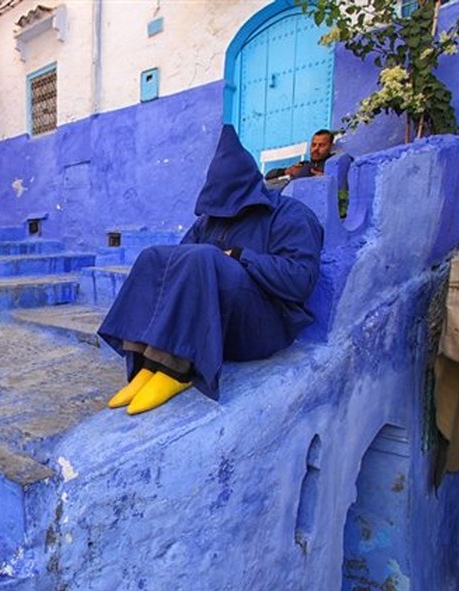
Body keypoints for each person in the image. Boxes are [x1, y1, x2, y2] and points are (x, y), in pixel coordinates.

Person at [98, 125, 323, 415]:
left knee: (204, 258)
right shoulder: (208, 221)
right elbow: (175, 266)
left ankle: (177, 370)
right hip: (212, 328)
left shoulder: (291, 215)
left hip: (264, 327)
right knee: (154, 257)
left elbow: (301, 279)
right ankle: (148, 364)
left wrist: (240, 255)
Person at [265, 129, 335, 183]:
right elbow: (268, 176)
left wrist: (324, 179)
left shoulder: (332, 165)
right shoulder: (304, 164)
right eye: (313, 145)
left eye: (321, 145)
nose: (316, 149)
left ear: (331, 146)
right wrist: (287, 171)